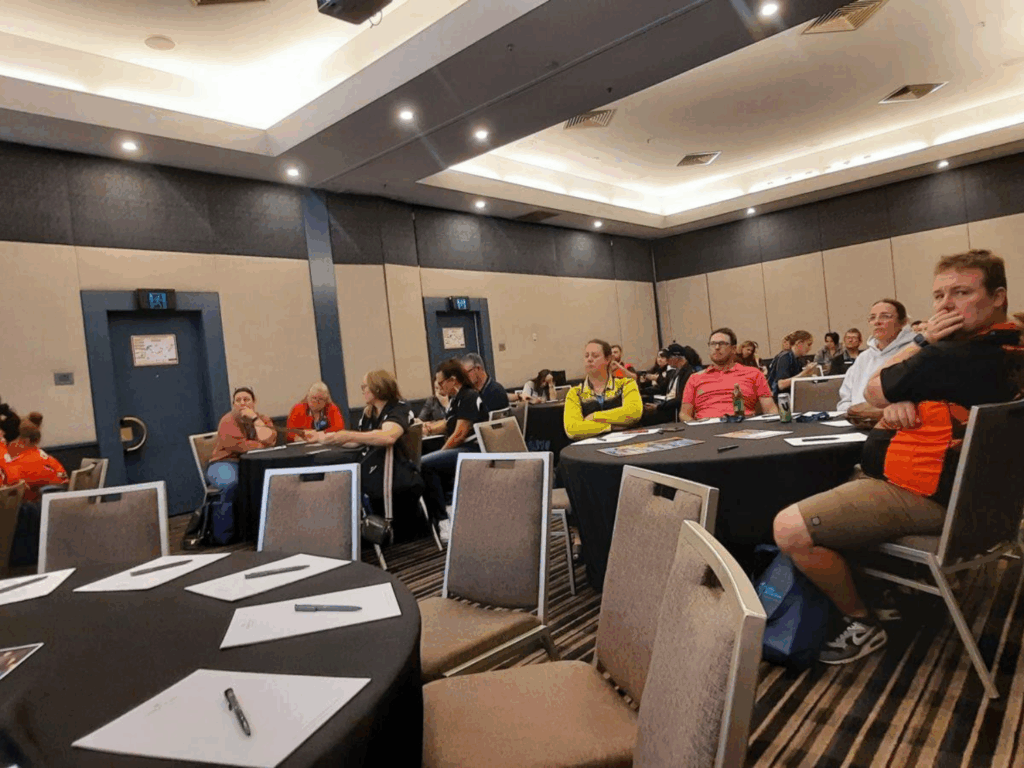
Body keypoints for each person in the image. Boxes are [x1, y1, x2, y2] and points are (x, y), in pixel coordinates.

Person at [773, 249, 1023, 665]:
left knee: (789, 528)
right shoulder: (1008, 349)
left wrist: (923, 341)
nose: (945, 305)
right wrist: (902, 400)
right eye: (939, 295)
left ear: (998, 297)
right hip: (986, 506)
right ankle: (891, 588)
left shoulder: (948, 355)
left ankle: (861, 621)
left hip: (927, 498)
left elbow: (873, 390)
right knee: (831, 485)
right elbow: (896, 399)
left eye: (961, 292)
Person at [306, 370, 426, 541]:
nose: (362, 390)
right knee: (324, 461)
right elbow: (359, 440)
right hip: (376, 468)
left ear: (377, 389)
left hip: (393, 472)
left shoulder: (399, 408)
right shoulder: (369, 413)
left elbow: (388, 436)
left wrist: (349, 435)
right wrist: (323, 438)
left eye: (365, 387)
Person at [421, 359, 488, 540]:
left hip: (473, 451)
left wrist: (441, 451)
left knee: (426, 464)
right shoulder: (456, 399)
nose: (439, 386)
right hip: (464, 449)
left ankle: (444, 520)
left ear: (452, 380)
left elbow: (459, 434)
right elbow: (449, 423)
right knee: (427, 460)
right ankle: (446, 508)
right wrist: (428, 428)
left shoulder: (468, 396)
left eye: (441, 382)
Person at [206, 387, 276, 544]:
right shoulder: (227, 420)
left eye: (246, 399)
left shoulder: (263, 419)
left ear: (254, 402)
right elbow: (238, 446)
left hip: (254, 464)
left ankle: (263, 530)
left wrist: (255, 420)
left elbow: (270, 439)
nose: (242, 403)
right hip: (225, 463)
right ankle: (224, 535)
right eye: (238, 400)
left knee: (272, 482)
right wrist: (261, 445)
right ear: (233, 403)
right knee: (231, 484)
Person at [836, 299, 917, 419]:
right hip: (857, 424)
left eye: (885, 316)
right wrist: (854, 413)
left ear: (903, 322)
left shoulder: (913, 352)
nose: (877, 322)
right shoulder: (863, 358)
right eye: (872, 318)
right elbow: (845, 400)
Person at [680, 328, 778, 421]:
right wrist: (695, 429)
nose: (717, 347)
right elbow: (684, 414)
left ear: (734, 349)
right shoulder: (695, 378)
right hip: (706, 429)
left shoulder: (753, 374)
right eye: (713, 344)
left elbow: (770, 409)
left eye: (722, 344)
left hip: (744, 425)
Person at [564, 339, 643, 439]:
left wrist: (594, 417)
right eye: (586, 356)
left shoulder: (626, 384)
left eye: (595, 356)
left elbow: (634, 412)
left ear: (608, 359)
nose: (589, 359)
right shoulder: (575, 393)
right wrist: (610, 427)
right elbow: (573, 429)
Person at [5, 413, 67, 502]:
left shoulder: (19, 465)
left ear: (24, 441)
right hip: (57, 505)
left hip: (36, 510)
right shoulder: (48, 459)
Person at [640, 343, 694, 425]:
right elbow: (663, 388)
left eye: (667, 357)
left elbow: (680, 399)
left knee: (643, 417)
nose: (667, 360)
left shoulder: (689, 373)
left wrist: (658, 407)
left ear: (676, 358)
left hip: (673, 409)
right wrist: (642, 390)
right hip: (666, 404)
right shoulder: (675, 371)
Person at [768, 330, 818, 395]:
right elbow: (781, 385)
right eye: (808, 345)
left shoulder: (798, 359)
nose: (810, 348)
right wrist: (805, 372)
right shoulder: (785, 357)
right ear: (799, 343)